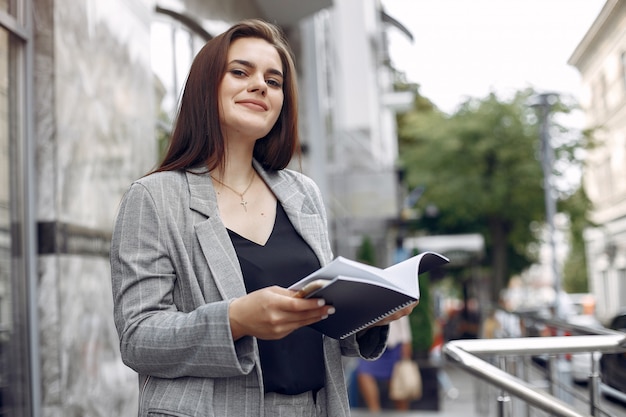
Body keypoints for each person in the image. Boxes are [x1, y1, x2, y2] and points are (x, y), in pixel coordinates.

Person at [110, 19, 415, 417]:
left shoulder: (302, 194)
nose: (260, 86)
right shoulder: (154, 198)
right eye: (240, 72)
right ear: (206, 86)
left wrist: (374, 310)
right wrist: (235, 320)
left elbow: (321, 327)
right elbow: (138, 338)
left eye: (274, 81)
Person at [356, 315, 413, 411]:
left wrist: (406, 344)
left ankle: (402, 413)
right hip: (371, 342)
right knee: (364, 373)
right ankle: (374, 411)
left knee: (398, 384)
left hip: (394, 345)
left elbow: (402, 318)